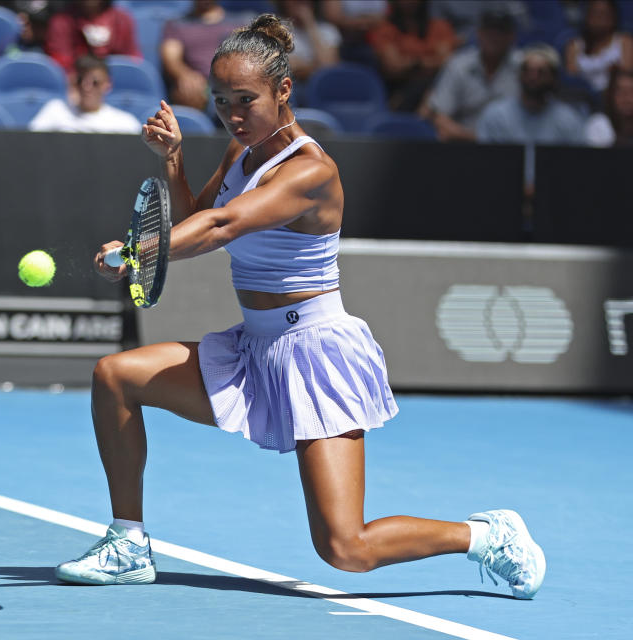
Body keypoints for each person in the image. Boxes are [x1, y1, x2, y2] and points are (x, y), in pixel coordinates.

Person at [54, 14, 546, 600]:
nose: (232, 115)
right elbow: (196, 217)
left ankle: (485, 536)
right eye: (219, 101)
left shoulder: (311, 171)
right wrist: (173, 162)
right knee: (115, 375)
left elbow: (222, 226)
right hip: (253, 346)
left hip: (317, 355)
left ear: (283, 91)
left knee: (346, 549)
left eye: (245, 100)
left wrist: (137, 251)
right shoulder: (243, 151)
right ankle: (128, 543)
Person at [477, 44, 585, 187]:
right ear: (519, 75)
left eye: (541, 72)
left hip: (555, 194)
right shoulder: (496, 115)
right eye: (527, 71)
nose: (533, 77)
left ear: (554, 78)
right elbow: (484, 165)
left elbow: (576, 168)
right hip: (501, 191)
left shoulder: (569, 119)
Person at [422, 8, 520, 142]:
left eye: (500, 32)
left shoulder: (524, 67)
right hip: (463, 146)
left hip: (512, 146)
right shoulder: (458, 66)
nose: (494, 37)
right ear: (479, 34)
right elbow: (438, 115)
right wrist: (475, 138)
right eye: (489, 32)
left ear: (511, 37)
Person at [369, 0, 458, 111]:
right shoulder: (384, 29)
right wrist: (426, 62)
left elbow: (447, 62)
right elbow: (393, 67)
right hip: (399, 88)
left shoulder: (440, 26)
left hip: (437, 87)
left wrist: (413, 63)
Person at [160, 0, 243, 111]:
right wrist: (185, 76)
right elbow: (171, 59)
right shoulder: (177, 25)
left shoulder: (239, 23)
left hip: (233, 81)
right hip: (201, 86)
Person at [28, 54, 141, 134]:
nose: (86, 87)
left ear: (107, 85)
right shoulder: (55, 110)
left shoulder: (125, 123)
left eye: (95, 82)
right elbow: (32, 143)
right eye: (80, 80)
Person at [43, 0, 140, 74]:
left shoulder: (122, 20)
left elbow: (131, 64)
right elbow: (59, 67)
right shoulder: (61, 22)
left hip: (115, 88)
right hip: (76, 90)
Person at [564, 0, 633, 95]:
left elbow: (627, 75)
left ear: (614, 16)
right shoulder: (574, 45)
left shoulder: (625, 41)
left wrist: (615, 72)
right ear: (587, 16)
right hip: (582, 99)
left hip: (615, 98)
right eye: (595, 13)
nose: (600, 18)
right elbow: (571, 80)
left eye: (604, 13)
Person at [275, 0, 340, 82]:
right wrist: (317, 66)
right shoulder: (273, 28)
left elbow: (329, 68)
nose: (300, 5)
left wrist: (309, 24)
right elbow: (285, 68)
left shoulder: (328, 30)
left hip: (322, 84)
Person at [585, 67, 633, 146]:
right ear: (610, 95)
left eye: (632, 92)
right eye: (621, 91)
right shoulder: (599, 125)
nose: (626, 98)